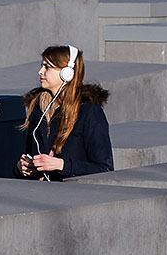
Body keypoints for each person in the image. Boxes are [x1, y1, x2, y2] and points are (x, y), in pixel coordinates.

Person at [15, 44, 113, 181]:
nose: (40, 72)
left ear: (67, 73)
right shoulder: (37, 109)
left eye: (47, 67)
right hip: (39, 194)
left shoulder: (89, 112)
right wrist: (22, 168)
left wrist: (62, 165)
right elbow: (31, 154)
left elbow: (105, 169)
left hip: (74, 196)